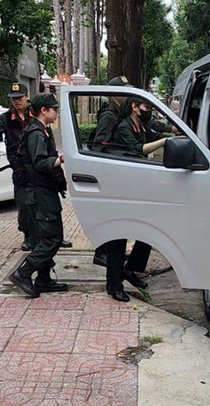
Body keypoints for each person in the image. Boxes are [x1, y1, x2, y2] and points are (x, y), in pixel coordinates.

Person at [0, 83, 72, 251]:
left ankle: (53, 236)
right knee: (25, 205)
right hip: (21, 169)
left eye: (19, 98)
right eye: (13, 99)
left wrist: (54, 162)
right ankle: (29, 236)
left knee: (50, 203)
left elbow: (49, 140)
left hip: (40, 169)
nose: (16, 101)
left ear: (27, 97)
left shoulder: (38, 113)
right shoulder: (6, 119)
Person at [103, 97, 173, 302]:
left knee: (147, 230)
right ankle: (113, 285)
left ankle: (130, 269)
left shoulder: (140, 124)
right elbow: (138, 149)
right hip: (120, 185)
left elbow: (157, 133)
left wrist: (172, 134)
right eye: (145, 107)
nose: (148, 111)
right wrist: (165, 141)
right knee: (118, 236)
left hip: (136, 183)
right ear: (134, 107)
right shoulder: (124, 127)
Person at [8, 94, 68, 297]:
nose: (56, 113)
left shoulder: (41, 130)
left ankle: (43, 279)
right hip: (39, 193)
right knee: (52, 238)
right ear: (44, 110)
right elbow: (40, 162)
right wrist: (60, 159)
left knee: (43, 237)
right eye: (54, 109)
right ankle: (23, 273)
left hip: (41, 191)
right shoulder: (36, 133)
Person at [89, 75, 133, 267]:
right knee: (107, 214)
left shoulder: (117, 111)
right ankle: (101, 253)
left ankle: (110, 252)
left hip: (113, 169)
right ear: (117, 93)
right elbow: (100, 144)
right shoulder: (109, 114)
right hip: (106, 170)